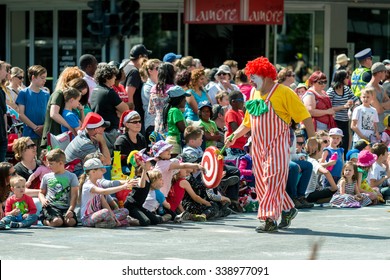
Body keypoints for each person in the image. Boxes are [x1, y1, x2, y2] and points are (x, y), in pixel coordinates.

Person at [226, 56, 317, 232]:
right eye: (250, 76)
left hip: (278, 146)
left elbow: (304, 115)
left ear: (266, 75)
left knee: (272, 180)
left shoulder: (284, 92)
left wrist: (312, 137)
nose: (251, 80)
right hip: (258, 147)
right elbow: (248, 122)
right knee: (262, 184)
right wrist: (234, 136)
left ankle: (269, 218)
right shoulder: (253, 94)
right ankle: (288, 209)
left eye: (254, 76)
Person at [79, 158, 133, 228]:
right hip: (88, 218)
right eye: (100, 170)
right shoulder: (88, 185)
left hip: (100, 215)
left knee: (125, 211)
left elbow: (104, 202)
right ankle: (117, 222)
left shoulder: (98, 183)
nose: (103, 171)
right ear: (93, 172)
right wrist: (123, 187)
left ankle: (112, 222)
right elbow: (104, 191)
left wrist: (113, 216)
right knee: (105, 212)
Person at [41, 66, 84, 147]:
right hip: (54, 136)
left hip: (61, 137)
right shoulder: (59, 93)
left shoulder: (70, 96)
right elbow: (53, 114)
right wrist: (70, 127)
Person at [90, 63, 129, 153]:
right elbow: (126, 109)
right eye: (113, 76)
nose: (115, 78)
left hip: (98, 130)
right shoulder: (109, 92)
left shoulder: (96, 90)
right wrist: (119, 112)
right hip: (109, 132)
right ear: (107, 77)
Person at [38, 148, 79, 227]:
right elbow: (41, 192)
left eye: (51, 164)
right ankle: (44, 220)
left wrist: (71, 209)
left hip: (65, 207)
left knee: (71, 222)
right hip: (51, 207)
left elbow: (74, 195)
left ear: (60, 163)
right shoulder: (46, 177)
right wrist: (43, 200)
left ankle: (62, 218)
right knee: (57, 222)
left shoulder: (71, 176)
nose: (48, 166)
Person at [15, 65, 49, 155]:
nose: (44, 80)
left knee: (43, 159)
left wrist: (43, 127)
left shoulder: (46, 94)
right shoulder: (23, 93)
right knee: (30, 158)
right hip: (29, 134)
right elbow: (21, 114)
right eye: (42, 78)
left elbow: (48, 114)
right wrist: (35, 127)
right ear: (33, 77)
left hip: (43, 134)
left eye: (45, 78)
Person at [326, 69, 356, 152]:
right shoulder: (331, 91)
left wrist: (353, 104)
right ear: (341, 78)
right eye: (346, 77)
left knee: (344, 144)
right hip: (335, 121)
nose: (348, 79)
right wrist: (344, 106)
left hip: (345, 121)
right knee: (335, 144)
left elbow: (355, 99)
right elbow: (328, 108)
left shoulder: (346, 89)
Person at [122, 44, 152, 125]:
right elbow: (128, 95)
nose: (147, 59)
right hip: (134, 116)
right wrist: (132, 117)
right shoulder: (134, 71)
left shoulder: (125, 66)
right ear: (140, 56)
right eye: (146, 56)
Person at [305, 138, 338, 203]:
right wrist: (335, 188)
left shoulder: (307, 159)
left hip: (307, 193)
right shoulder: (313, 161)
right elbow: (326, 172)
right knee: (336, 191)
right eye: (322, 150)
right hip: (309, 194)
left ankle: (320, 200)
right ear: (317, 151)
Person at [148, 62, 175, 135]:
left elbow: (151, 111)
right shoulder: (175, 89)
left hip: (158, 126)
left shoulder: (154, 88)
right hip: (172, 127)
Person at [163, 85, 190, 157]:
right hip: (174, 144)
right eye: (184, 98)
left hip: (174, 141)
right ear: (179, 99)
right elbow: (183, 129)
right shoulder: (175, 111)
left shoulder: (175, 110)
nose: (185, 100)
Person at [140, 58, 160, 140]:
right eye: (157, 68)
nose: (160, 71)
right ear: (150, 71)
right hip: (152, 124)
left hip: (159, 124)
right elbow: (155, 106)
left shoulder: (160, 85)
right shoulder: (147, 87)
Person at [367, 62, 390, 133]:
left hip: (382, 126)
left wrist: (380, 105)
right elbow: (379, 110)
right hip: (373, 128)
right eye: (384, 71)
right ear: (379, 73)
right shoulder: (369, 88)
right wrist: (383, 106)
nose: (386, 74)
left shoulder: (381, 88)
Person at [224, 91, 246, 157]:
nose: (243, 102)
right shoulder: (231, 113)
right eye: (241, 100)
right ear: (233, 102)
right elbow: (235, 130)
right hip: (234, 147)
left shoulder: (241, 112)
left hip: (242, 146)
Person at [0, 61, 8, 162]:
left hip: (2, 137)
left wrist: (5, 133)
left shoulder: (1, 91)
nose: (7, 73)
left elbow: (4, 113)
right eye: (5, 70)